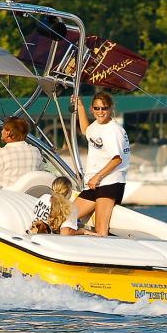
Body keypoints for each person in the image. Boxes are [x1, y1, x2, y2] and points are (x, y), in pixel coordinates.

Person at [70, 92, 130, 236]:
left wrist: (98, 176)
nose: (100, 112)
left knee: (100, 228)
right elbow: (85, 131)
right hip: (93, 184)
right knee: (67, 218)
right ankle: (83, 234)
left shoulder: (113, 131)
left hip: (110, 182)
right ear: (92, 109)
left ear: (110, 109)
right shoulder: (96, 126)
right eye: (97, 108)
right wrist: (80, 106)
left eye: (104, 108)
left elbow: (117, 159)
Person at [28, 177, 99, 236]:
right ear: (70, 193)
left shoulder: (44, 197)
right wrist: (83, 231)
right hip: (51, 241)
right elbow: (65, 233)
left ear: (52, 190)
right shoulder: (68, 208)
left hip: (33, 235)